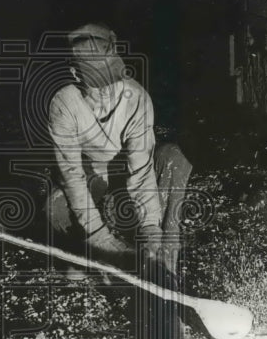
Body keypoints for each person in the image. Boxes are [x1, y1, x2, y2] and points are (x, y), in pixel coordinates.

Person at [46, 23, 193, 272]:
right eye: (98, 85)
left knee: (173, 158)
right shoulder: (63, 105)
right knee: (55, 208)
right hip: (93, 176)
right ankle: (94, 255)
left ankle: (167, 248)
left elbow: (142, 169)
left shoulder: (136, 98)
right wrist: (100, 237)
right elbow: (72, 175)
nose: (109, 93)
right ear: (76, 75)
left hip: (128, 170)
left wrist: (151, 231)